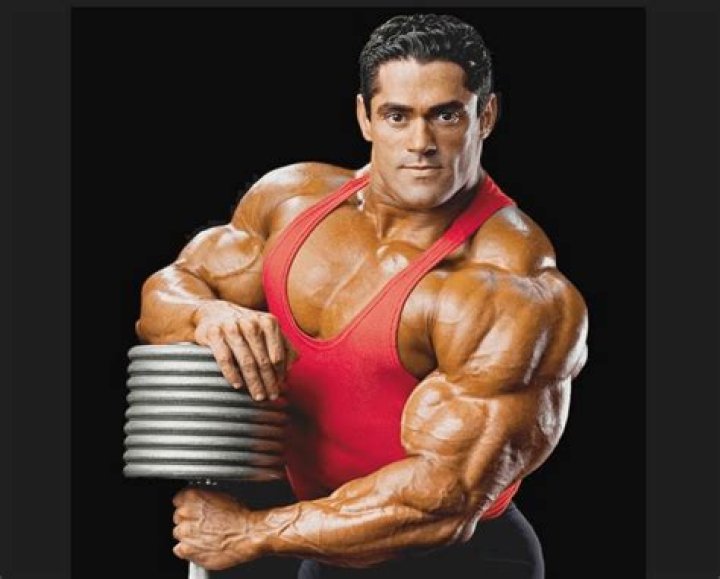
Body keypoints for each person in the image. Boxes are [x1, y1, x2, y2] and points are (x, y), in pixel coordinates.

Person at [135, 13, 588, 578]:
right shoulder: (293, 203)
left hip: (461, 558)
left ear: (486, 116)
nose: (420, 143)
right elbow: (168, 292)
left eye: (446, 115)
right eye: (398, 116)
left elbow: (443, 499)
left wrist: (252, 532)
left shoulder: (511, 283)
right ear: (364, 117)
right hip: (328, 546)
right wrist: (207, 315)